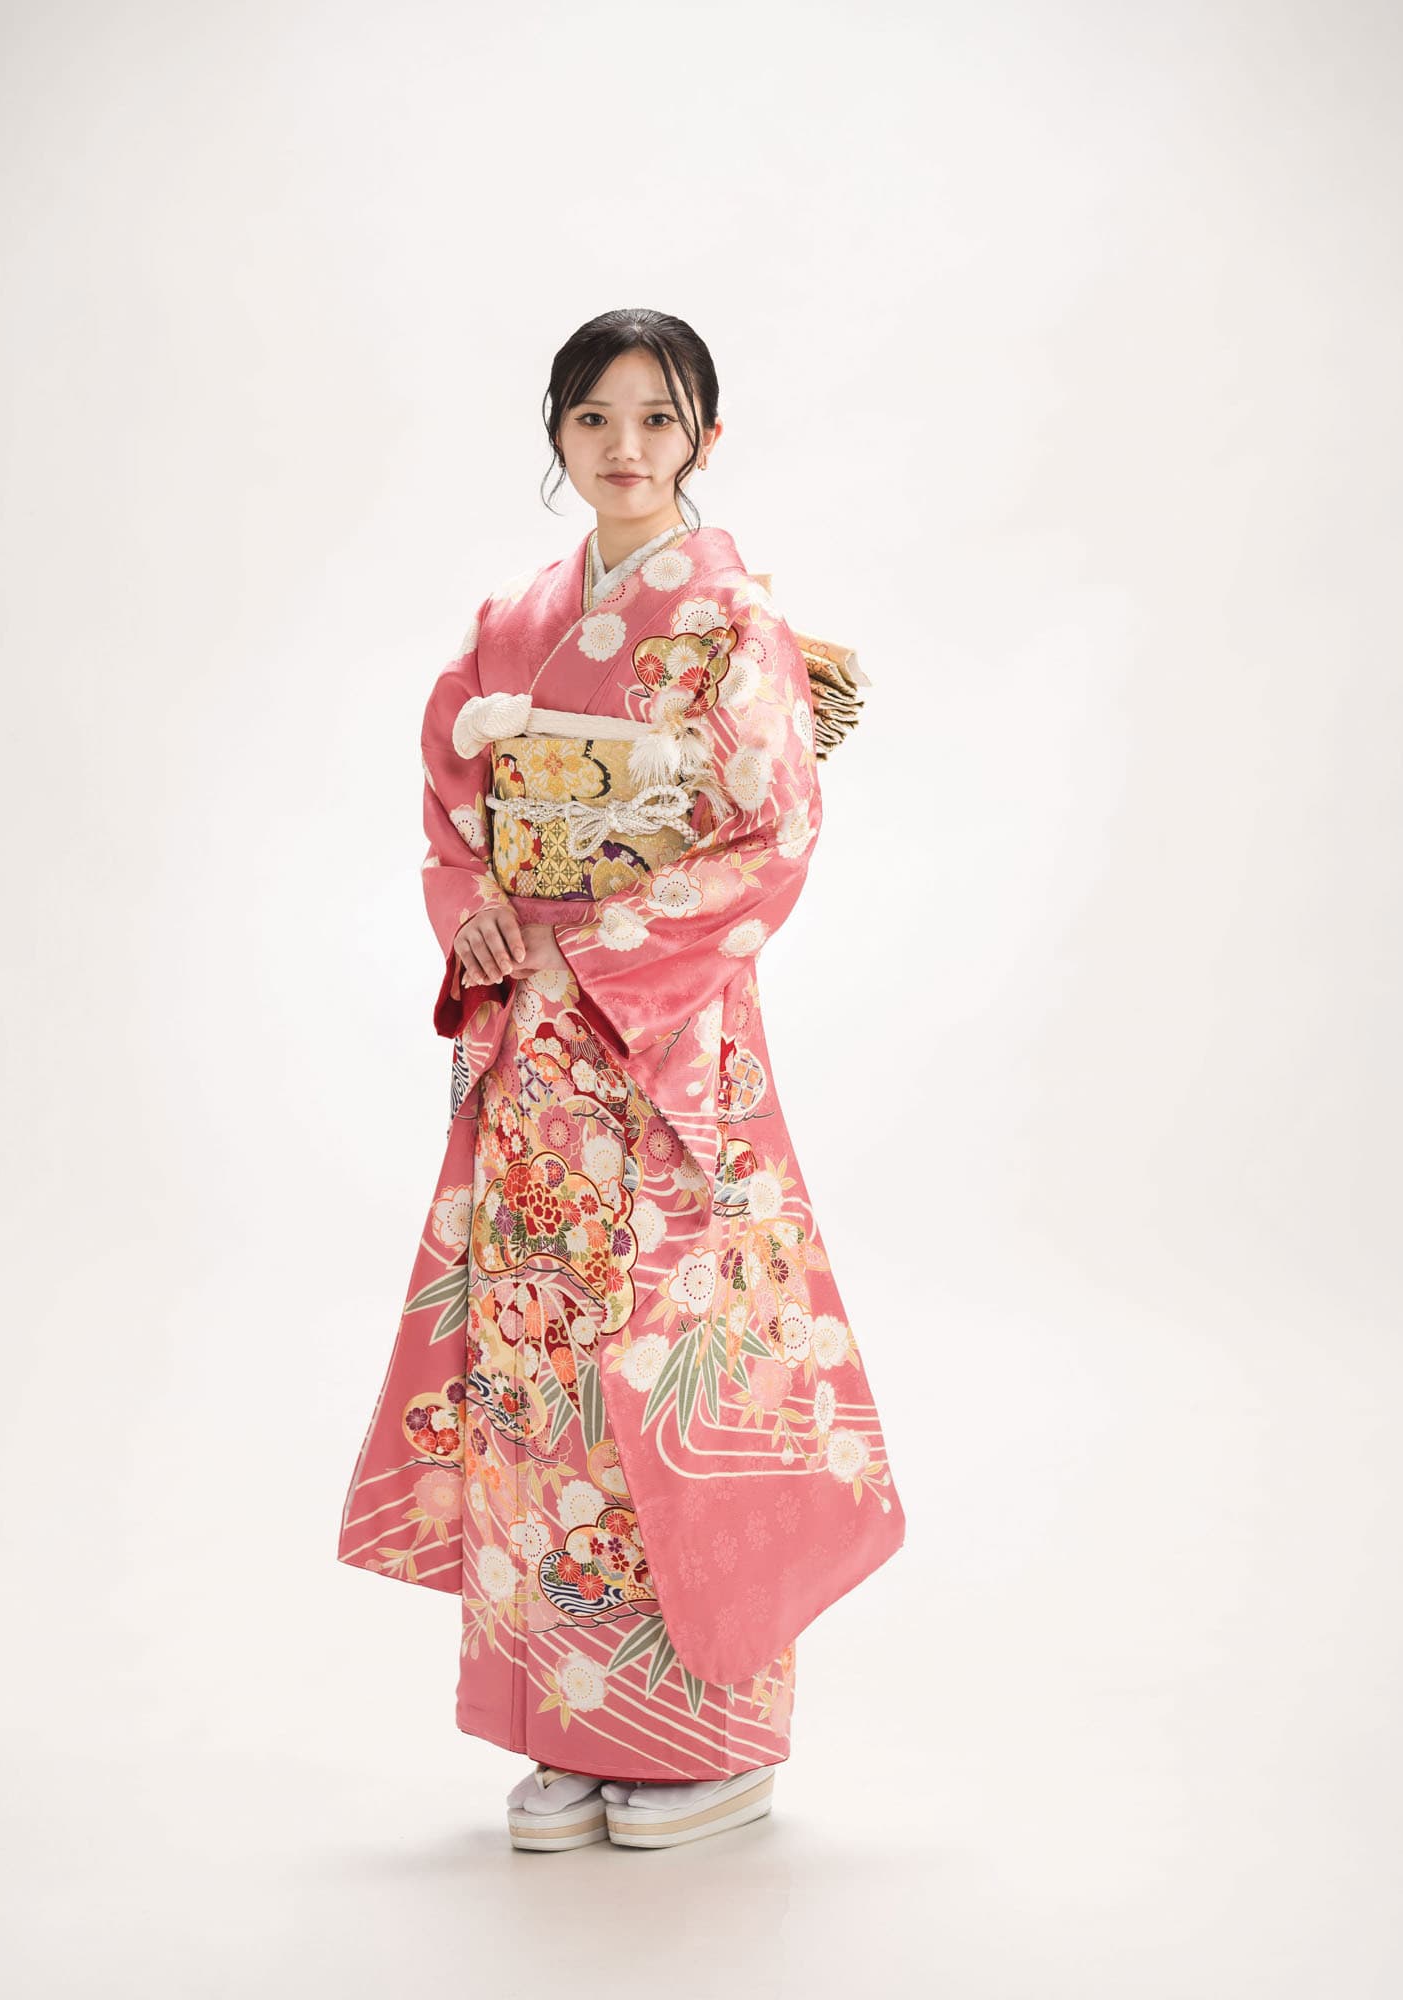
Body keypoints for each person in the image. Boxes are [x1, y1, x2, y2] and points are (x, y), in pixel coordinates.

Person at [337, 309, 906, 1852]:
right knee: (541, 1360)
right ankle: (572, 1721)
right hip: (536, 1042)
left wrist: (597, 945)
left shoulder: (729, 619)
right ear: (557, 435)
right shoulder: (509, 620)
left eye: (659, 418)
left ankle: (711, 1737)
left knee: (677, 1354)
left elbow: (773, 829)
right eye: (594, 418)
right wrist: (482, 909)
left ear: (705, 437)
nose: (626, 447)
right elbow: (454, 801)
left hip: (667, 1038)